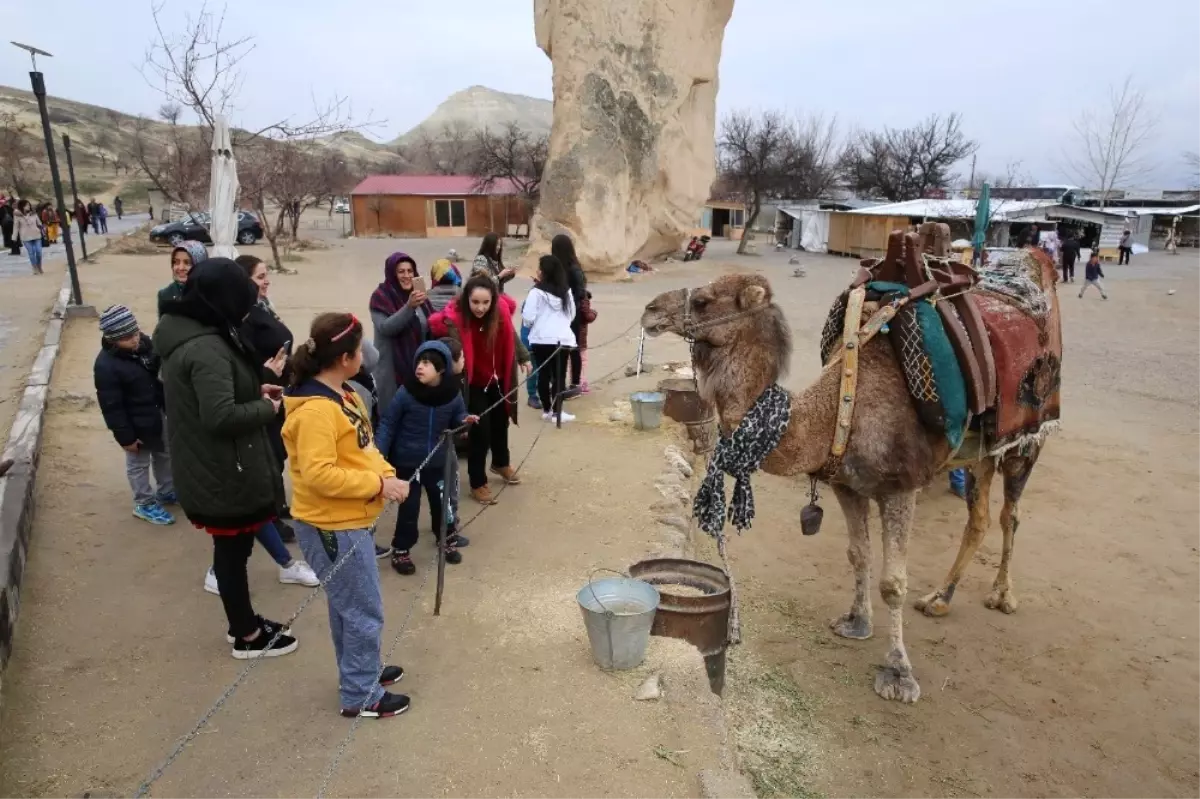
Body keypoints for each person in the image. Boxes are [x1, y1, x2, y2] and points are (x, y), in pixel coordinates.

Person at [153, 258, 299, 659]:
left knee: (233, 552)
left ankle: (245, 623)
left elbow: (216, 397)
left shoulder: (194, 331)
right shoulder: (206, 347)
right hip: (221, 467)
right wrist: (265, 409)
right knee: (233, 554)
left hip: (214, 463)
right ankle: (247, 635)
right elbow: (219, 415)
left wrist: (255, 391)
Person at [282, 312, 410, 719]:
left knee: (349, 606)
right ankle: (360, 694)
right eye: (360, 351)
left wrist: (387, 474)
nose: (365, 356)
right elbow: (320, 475)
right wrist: (377, 486)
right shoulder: (316, 410)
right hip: (331, 525)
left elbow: (362, 447)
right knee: (363, 610)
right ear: (345, 358)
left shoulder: (345, 394)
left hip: (350, 519)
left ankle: (361, 672)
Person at [375, 341, 477, 576]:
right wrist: (378, 456)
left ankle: (447, 539)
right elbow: (388, 424)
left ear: (441, 369)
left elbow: (458, 417)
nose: (420, 367)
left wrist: (465, 422)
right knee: (408, 509)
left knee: (443, 505)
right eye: (419, 362)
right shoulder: (406, 392)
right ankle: (401, 550)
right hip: (408, 462)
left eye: (427, 363)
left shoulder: (452, 394)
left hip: (438, 461)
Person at [429, 274, 527, 505]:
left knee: (502, 421)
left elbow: (512, 335)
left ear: (494, 300)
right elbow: (445, 348)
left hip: (498, 378)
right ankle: (477, 482)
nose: (481, 307)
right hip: (472, 383)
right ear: (466, 300)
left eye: (486, 302)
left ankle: (501, 463)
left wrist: (523, 356)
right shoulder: (454, 320)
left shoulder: (500, 313)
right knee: (480, 433)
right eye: (475, 302)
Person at [93, 305, 176, 525]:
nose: (135, 339)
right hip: (134, 424)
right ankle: (144, 502)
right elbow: (111, 406)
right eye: (128, 337)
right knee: (138, 463)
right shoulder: (105, 366)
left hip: (156, 413)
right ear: (112, 339)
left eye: (136, 333)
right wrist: (125, 436)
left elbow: (158, 364)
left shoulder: (144, 345)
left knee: (165, 453)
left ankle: (167, 490)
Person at [237, 254, 297, 540]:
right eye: (260, 277)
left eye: (266, 275)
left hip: (278, 390)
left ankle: (277, 505)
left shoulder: (262, 307)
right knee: (268, 456)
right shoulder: (242, 318)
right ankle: (269, 518)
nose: (267, 281)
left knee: (278, 454)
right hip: (262, 391)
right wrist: (266, 374)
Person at [369, 253, 432, 414]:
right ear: (392, 273)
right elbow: (386, 327)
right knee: (392, 420)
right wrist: (409, 307)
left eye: (410, 271)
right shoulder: (380, 297)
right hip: (392, 373)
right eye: (401, 271)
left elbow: (429, 325)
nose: (407, 276)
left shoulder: (419, 297)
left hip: (418, 368)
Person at [523, 255, 578, 423]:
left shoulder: (536, 292)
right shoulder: (566, 291)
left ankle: (547, 410)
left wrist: (539, 323)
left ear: (545, 271)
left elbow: (528, 318)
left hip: (540, 339)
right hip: (562, 339)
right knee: (559, 376)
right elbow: (571, 315)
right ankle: (557, 412)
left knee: (544, 374)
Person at [551, 234, 589, 397]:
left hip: (572, 314)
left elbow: (581, 291)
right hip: (558, 313)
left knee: (573, 348)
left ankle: (575, 384)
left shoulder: (573, 268)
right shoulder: (558, 268)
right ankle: (560, 383)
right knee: (560, 349)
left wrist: (567, 299)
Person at [158, 241, 207, 317]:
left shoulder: (210, 294)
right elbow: (163, 327)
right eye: (176, 262)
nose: (181, 268)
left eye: (187, 263)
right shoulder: (166, 294)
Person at [12, 200, 44, 275]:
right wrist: (14, 237)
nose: (28, 206)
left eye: (29, 205)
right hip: (25, 237)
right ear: (22, 206)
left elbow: (39, 223)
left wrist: (42, 228)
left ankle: (39, 266)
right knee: (31, 252)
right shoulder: (17, 215)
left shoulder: (34, 213)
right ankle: (34, 267)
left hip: (36, 235)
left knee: (39, 251)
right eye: (26, 205)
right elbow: (16, 226)